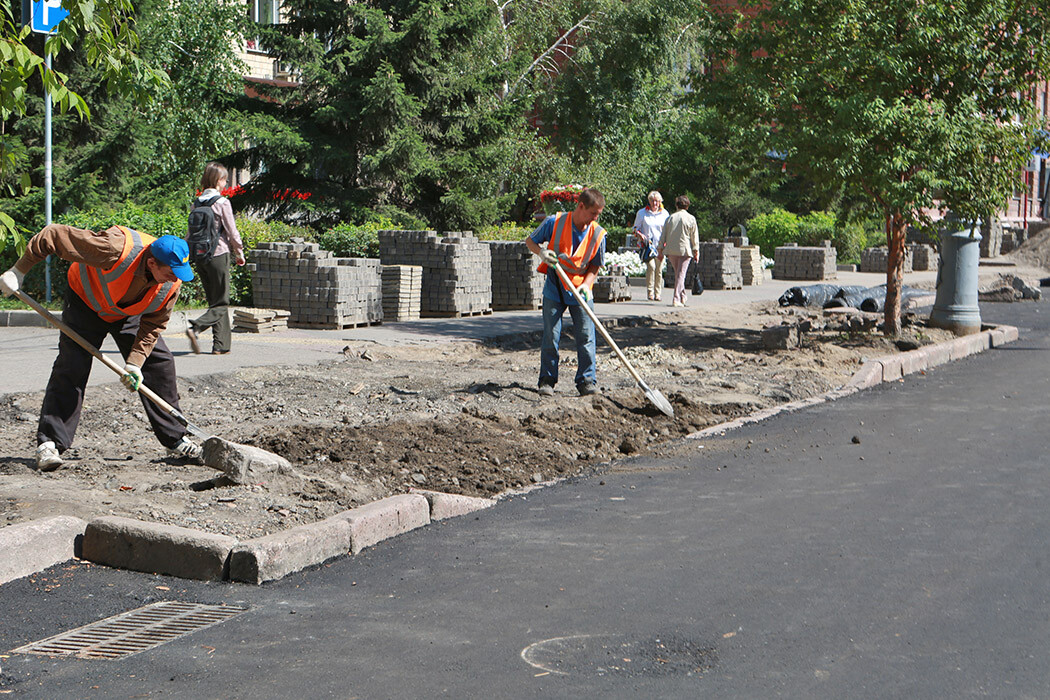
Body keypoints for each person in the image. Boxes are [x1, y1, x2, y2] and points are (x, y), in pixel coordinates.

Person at [0, 224, 204, 471]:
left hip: (126, 312)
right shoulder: (114, 248)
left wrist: (135, 364)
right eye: (172, 271)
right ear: (151, 263)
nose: (177, 278)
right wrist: (18, 270)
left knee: (158, 362)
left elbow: (153, 325)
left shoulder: (171, 283)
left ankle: (175, 438)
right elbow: (53, 235)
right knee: (72, 366)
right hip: (86, 302)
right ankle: (50, 443)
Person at [525, 187, 607, 397]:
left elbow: (595, 266)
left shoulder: (597, 233)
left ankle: (587, 381)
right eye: (593, 213)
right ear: (581, 206)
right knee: (551, 335)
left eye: (598, 214)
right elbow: (530, 241)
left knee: (586, 336)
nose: (595, 218)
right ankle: (547, 380)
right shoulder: (555, 222)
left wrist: (586, 286)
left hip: (580, 290)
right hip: (555, 286)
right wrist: (542, 253)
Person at [185, 162, 245, 355]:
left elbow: (188, 234)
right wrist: (239, 252)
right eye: (225, 180)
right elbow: (232, 232)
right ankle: (195, 327)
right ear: (219, 181)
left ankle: (221, 346)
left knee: (215, 302)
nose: (226, 183)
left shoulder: (196, 203)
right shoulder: (222, 203)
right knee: (222, 302)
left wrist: (187, 255)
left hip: (200, 256)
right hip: (219, 254)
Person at [658, 195, 701, 307]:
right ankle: (676, 298)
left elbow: (663, 235)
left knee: (679, 274)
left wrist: (660, 249)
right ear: (687, 206)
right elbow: (694, 237)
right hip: (685, 250)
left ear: (677, 205)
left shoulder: (670, 218)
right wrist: (696, 251)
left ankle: (683, 296)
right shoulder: (691, 218)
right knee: (681, 275)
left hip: (671, 250)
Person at [632, 190, 669, 301]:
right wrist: (640, 235)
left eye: (657, 201)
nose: (655, 203)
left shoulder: (665, 214)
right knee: (651, 267)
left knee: (659, 269)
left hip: (660, 246)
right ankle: (650, 292)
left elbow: (668, 230)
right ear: (649, 201)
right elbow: (635, 229)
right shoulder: (642, 213)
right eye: (652, 201)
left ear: (660, 202)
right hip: (648, 246)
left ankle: (658, 293)